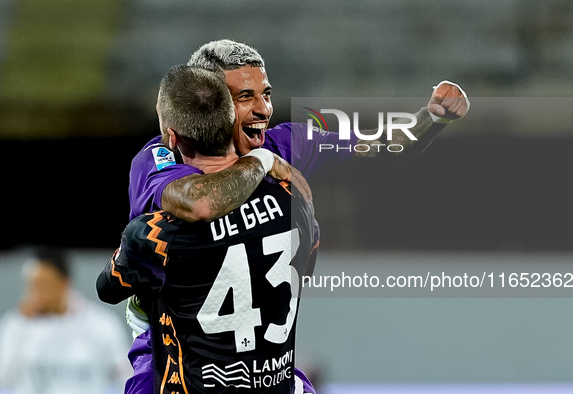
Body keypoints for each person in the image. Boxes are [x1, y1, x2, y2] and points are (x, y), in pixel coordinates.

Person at [123, 39, 469, 393]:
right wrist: (261, 164)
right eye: (246, 97)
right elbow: (197, 202)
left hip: (260, 364)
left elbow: (382, 147)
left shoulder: (287, 144)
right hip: (175, 358)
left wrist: (432, 118)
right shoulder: (165, 155)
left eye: (266, 94)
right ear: (212, 102)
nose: (263, 109)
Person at [97, 65, 317, 393]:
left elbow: (108, 288)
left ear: (172, 137)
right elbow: (305, 267)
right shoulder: (293, 194)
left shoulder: (157, 235)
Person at [0, 247, 130, 394]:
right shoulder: (16, 325)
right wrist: (21, 326)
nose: (37, 292)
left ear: (64, 283)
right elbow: (4, 379)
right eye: (33, 285)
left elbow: (125, 378)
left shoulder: (102, 325)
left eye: (43, 284)